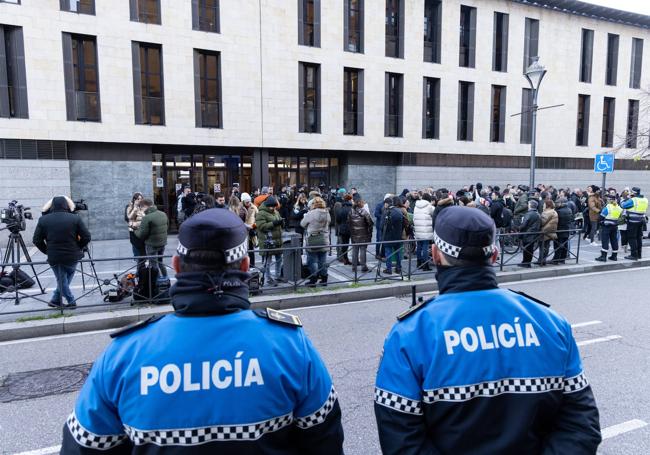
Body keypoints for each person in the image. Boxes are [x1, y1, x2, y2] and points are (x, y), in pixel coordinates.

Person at [60, 208, 344, 454]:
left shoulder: (124, 355)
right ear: (245, 266)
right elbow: (325, 441)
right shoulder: (290, 345)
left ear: (176, 267)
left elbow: (85, 446)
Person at [374, 206, 601, 454]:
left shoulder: (409, 335)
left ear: (435, 254)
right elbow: (581, 426)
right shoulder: (550, 323)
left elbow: (401, 440)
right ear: (494, 256)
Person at [33, 196, 91, 309]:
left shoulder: (43, 220)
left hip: (54, 256)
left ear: (52, 206)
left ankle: (55, 300)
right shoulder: (75, 218)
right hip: (73, 255)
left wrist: (47, 251)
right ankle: (71, 300)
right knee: (64, 278)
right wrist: (78, 247)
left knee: (62, 279)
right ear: (67, 206)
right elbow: (87, 237)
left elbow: (36, 240)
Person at [135, 199, 169, 280]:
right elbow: (167, 227)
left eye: (141, 208)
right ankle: (166, 278)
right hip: (162, 243)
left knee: (153, 264)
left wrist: (136, 230)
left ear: (145, 206)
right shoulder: (163, 214)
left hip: (152, 244)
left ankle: (156, 281)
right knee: (160, 262)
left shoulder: (147, 218)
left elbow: (141, 234)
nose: (141, 210)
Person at [301, 197, 331, 286]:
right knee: (323, 261)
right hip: (324, 239)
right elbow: (329, 223)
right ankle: (324, 279)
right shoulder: (327, 213)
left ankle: (313, 280)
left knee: (312, 261)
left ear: (313, 204)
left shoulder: (310, 213)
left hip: (312, 240)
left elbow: (302, 224)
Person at [255, 196, 283, 286]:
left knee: (279, 259)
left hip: (277, 240)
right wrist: (274, 223)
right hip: (267, 241)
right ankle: (268, 278)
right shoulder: (261, 213)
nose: (274, 208)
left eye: (275, 207)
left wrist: (282, 222)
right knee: (267, 262)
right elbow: (261, 226)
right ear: (267, 205)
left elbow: (279, 222)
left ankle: (277, 276)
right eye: (272, 207)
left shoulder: (276, 212)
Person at [348, 196, 374, 273]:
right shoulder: (364, 212)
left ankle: (354, 267)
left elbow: (348, 222)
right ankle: (363, 267)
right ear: (360, 203)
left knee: (355, 250)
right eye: (362, 202)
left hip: (354, 234)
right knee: (363, 250)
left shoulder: (351, 212)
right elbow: (370, 223)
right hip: (363, 234)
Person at [621, 187, 648, 260]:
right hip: (641, 221)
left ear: (633, 193)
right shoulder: (645, 199)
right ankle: (639, 254)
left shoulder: (633, 200)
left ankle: (634, 255)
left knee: (632, 238)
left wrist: (626, 199)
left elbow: (623, 205)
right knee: (639, 238)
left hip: (633, 221)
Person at [381, 197, 404, 276]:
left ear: (387, 204)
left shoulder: (386, 212)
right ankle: (398, 268)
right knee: (398, 252)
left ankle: (389, 269)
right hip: (398, 235)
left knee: (388, 252)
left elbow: (382, 226)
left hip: (388, 236)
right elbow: (403, 223)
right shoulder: (399, 211)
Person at [596, 194, 622, 262]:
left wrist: (599, 221)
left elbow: (601, 217)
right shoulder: (619, 207)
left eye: (607, 199)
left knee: (605, 241)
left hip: (606, 226)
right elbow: (620, 217)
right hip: (615, 226)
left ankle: (603, 257)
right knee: (614, 240)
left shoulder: (608, 207)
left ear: (609, 200)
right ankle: (614, 256)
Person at [413, 193, 434, 271]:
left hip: (418, 229)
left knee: (419, 246)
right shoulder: (429, 206)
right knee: (425, 247)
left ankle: (419, 263)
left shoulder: (416, 206)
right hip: (426, 230)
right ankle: (425, 265)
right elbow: (434, 214)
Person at [518, 199, 541, 268]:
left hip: (527, 233)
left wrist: (519, 228)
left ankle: (526, 263)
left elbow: (524, 224)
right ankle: (527, 262)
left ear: (530, 205)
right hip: (533, 233)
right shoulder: (537, 213)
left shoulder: (529, 214)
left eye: (528, 204)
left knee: (526, 249)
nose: (527, 205)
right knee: (530, 249)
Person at [552, 197, 573, 264]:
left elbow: (556, 221)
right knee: (564, 245)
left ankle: (556, 259)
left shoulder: (558, 211)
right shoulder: (569, 210)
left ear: (561, 203)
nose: (556, 204)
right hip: (566, 229)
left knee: (558, 245)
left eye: (557, 203)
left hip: (559, 230)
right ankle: (562, 259)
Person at [539, 199, 558, 266]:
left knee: (542, 247)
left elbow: (541, 222)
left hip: (544, 231)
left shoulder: (546, 213)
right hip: (551, 231)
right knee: (546, 246)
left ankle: (541, 260)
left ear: (546, 205)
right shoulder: (554, 212)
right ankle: (543, 260)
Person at [335, 194, 353, 265]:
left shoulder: (341, 209)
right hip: (352, 228)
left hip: (343, 229)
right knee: (355, 244)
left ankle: (345, 259)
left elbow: (338, 220)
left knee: (345, 244)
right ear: (350, 200)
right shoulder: (352, 208)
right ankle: (355, 260)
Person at [241, 193, 258, 267]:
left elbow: (258, 219)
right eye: (247, 201)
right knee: (243, 250)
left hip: (251, 231)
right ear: (243, 201)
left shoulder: (254, 207)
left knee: (251, 249)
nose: (248, 203)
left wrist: (254, 226)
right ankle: (243, 266)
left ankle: (252, 265)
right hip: (242, 231)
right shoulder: (239, 208)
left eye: (249, 201)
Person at [126, 192, 145, 258]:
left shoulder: (142, 207)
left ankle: (142, 259)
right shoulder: (130, 207)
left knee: (142, 246)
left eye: (141, 199)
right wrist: (135, 208)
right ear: (134, 199)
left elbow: (144, 216)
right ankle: (137, 258)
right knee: (136, 245)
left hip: (141, 229)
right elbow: (129, 217)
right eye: (138, 199)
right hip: (134, 229)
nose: (140, 200)